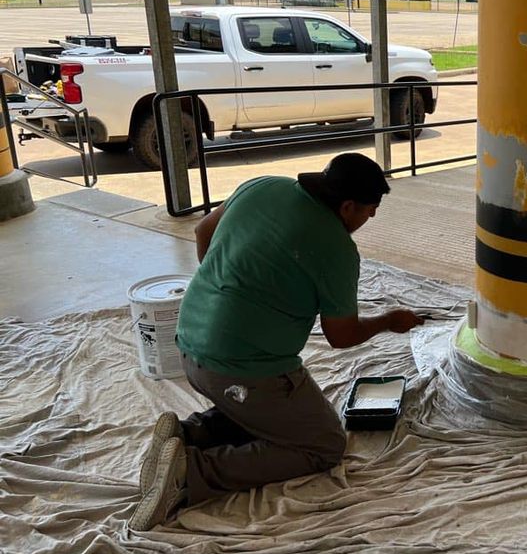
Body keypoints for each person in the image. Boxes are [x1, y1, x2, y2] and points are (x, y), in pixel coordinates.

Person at [129, 153, 423, 531]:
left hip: (188, 344)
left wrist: (229, 288)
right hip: (237, 371)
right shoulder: (336, 249)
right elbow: (341, 335)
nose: (373, 216)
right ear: (348, 206)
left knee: (280, 415)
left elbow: (203, 231)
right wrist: (389, 321)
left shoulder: (264, 186)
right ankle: (190, 473)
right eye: (370, 209)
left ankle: (188, 434)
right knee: (323, 444)